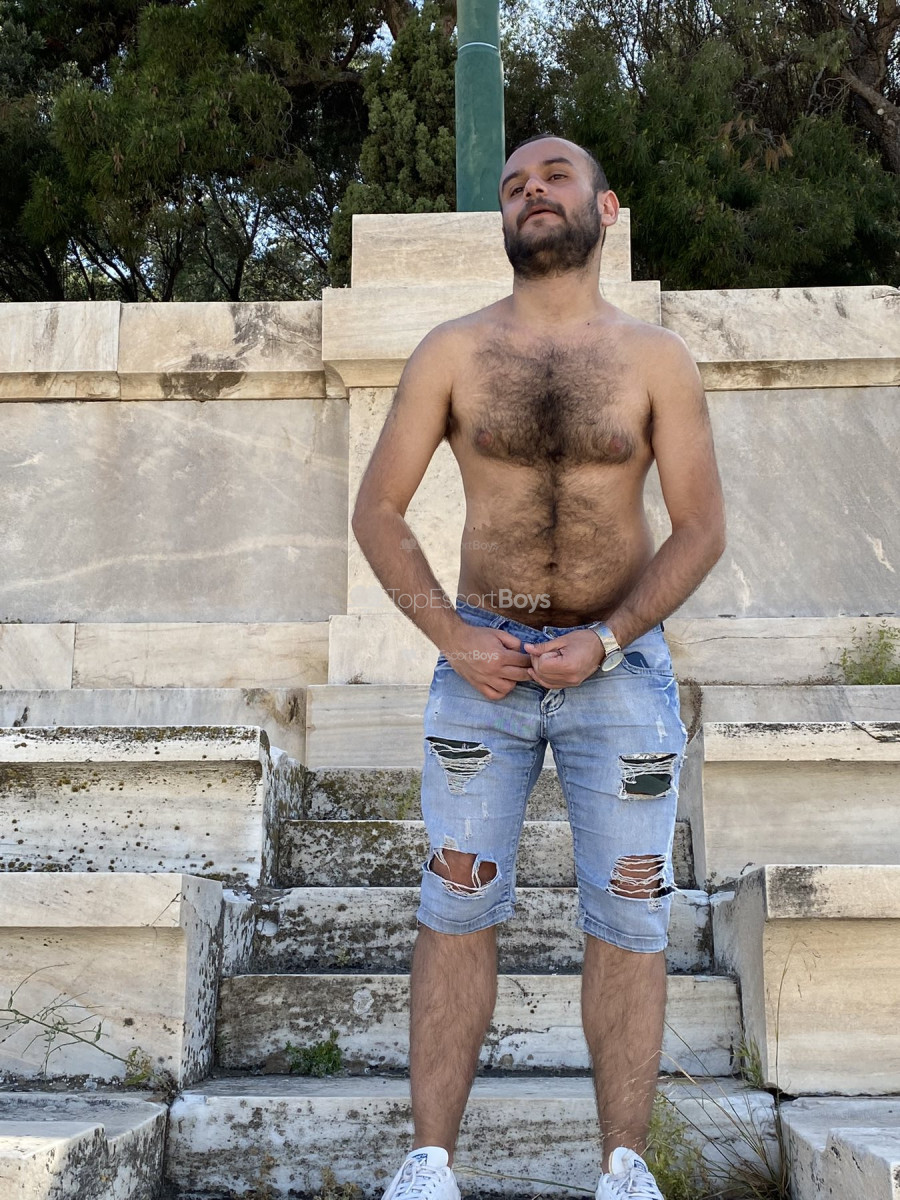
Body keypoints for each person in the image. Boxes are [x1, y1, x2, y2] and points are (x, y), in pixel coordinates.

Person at [351, 134, 726, 1200]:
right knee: (454, 905)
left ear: (605, 207)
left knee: (631, 915)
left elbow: (701, 529)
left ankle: (624, 1171)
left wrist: (609, 637)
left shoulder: (656, 360)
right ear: (505, 221)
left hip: (622, 669)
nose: (532, 192)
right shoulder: (454, 353)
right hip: (484, 666)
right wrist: (453, 637)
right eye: (515, 185)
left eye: (555, 176)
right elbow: (378, 511)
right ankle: (429, 1167)